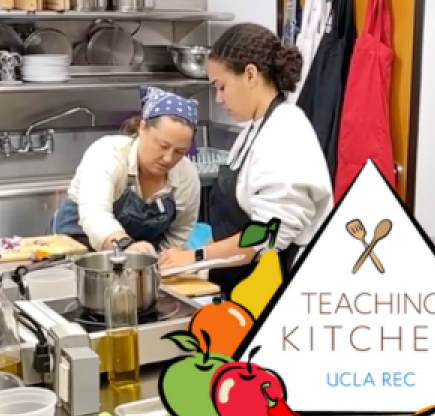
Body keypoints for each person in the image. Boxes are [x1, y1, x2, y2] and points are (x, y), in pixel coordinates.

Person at [158, 23, 333, 296]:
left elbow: (268, 235)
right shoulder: (255, 129)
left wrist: (197, 258)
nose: (218, 98)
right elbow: (233, 222)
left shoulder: (286, 130)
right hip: (240, 287)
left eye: (222, 86)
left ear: (250, 74)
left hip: (277, 292)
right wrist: (192, 258)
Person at [48, 86, 201, 254]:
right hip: (75, 250)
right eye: (163, 146)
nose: (168, 158)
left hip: (137, 263)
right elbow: (95, 214)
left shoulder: (186, 175)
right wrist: (125, 246)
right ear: (142, 128)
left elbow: (179, 233)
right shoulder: (108, 153)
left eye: (180, 151)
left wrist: (161, 263)